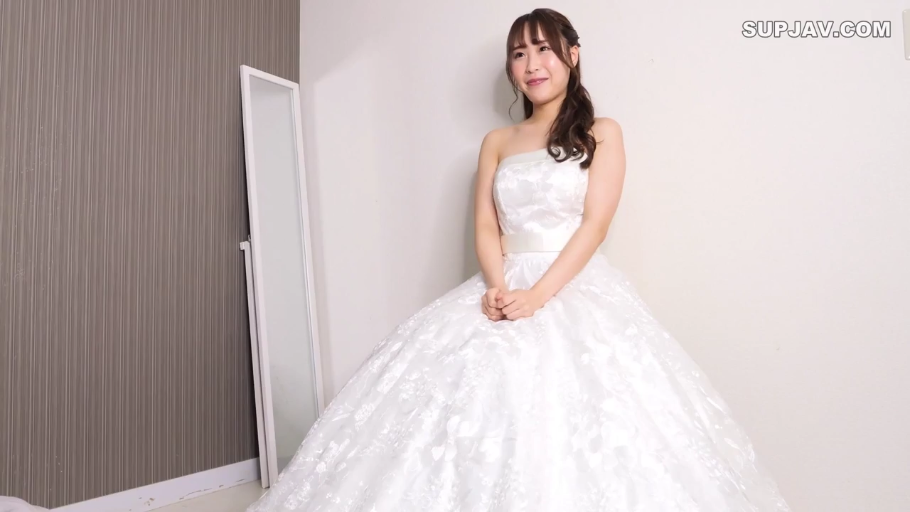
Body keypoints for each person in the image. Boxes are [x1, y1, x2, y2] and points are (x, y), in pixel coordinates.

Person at [247, 8, 791, 512]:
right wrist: (499, 287)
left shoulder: (602, 133)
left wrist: (537, 296)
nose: (532, 64)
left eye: (544, 49)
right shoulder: (497, 141)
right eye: (519, 53)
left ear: (572, 54)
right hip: (501, 284)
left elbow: (594, 225)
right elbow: (487, 226)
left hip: (569, 284)